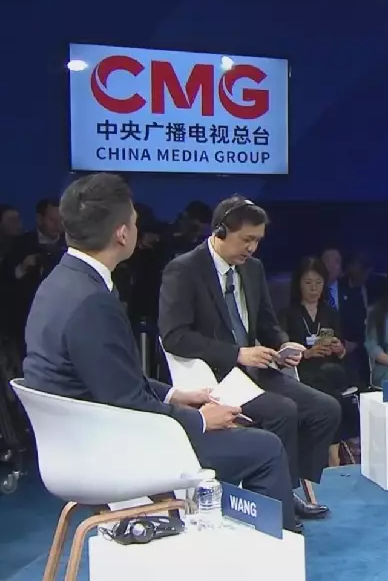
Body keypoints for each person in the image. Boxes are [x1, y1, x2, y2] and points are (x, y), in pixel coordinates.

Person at [20, 175, 297, 531]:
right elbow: (127, 402)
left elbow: (109, 378)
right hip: (108, 452)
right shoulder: (93, 302)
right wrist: (201, 420)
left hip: (74, 446)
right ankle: (272, 551)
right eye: (135, 222)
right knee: (266, 449)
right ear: (122, 234)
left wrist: (174, 394)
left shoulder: (57, 284)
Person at [158, 196, 339, 524]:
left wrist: (283, 345)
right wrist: (237, 353)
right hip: (215, 378)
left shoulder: (253, 269)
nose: (252, 248)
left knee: (325, 409)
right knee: (282, 411)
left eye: (257, 240)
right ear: (221, 231)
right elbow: (174, 336)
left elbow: (267, 323)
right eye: (246, 240)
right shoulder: (184, 269)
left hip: (256, 372)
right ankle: (279, 505)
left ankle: (286, 488)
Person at [277, 256, 360, 463]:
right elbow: (281, 352)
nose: (313, 288)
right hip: (302, 372)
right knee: (328, 392)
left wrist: (339, 349)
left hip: (331, 370)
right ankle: (334, 451)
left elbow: (343, 351)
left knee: (331, 376)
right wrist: (307, 353)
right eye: (308, 283)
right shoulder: (288, 314)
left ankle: (333, 450)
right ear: (298, 284)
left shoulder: (331, 313)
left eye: (318, 283)